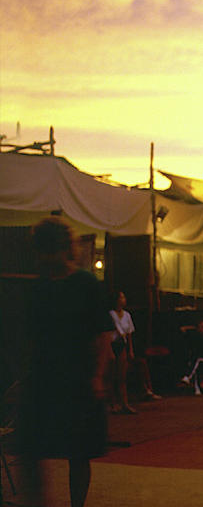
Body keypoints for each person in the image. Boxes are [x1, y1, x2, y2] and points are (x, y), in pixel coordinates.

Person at [18, 217, 114, 507]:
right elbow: (30, 336)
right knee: (31, 448)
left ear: (64, 249)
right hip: (44, 375)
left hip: (78, 376)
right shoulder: (39, 287)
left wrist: (97, 375)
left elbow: (102, 333)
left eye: (51, 251)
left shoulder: (84, 283)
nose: (46, 259)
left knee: (79, 451)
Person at [108, 291, 138, 414]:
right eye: (122, 297)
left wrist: (130, 350)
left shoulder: (127, 315)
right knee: (112, 375)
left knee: (122, 376)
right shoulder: (111, 314)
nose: (124, 299)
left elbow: (129, 334)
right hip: (112, 344)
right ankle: (112, 403)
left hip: (122, 345)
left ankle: (124, 403)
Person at [181, 319, 203, 395]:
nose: (202, 329)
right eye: (200, 327)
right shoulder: (195, 337)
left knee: (197, 361)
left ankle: (188, 377)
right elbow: (185, 333)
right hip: (196, 361)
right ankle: (197, 389)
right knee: (196, 365)